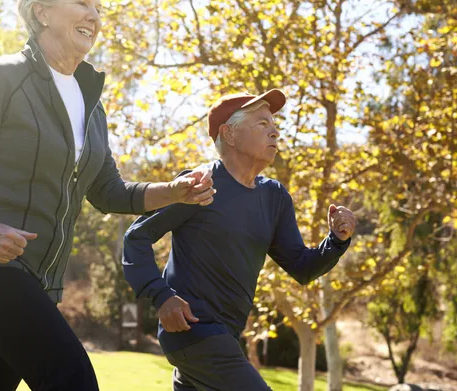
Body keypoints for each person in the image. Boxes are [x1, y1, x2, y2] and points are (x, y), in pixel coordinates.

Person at [0, 0, 214, 391]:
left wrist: (175, 191)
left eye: (99, 8)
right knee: (73, 380)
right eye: (82, 3)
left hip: (39, 278)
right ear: (42, 12)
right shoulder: (0, 79)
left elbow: (107, 191)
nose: (94, 16)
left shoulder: (90, 104)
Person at [122, 90, 356, 391]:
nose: (275, 130)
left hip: (226, 337)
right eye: (261, 123)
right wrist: (161, 296)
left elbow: (302, 266)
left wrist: (336, 240)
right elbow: (136, 238)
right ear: (229, 134)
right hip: (193, 331)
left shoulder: (275, 197)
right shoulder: (199, 184)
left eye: (274, 123)